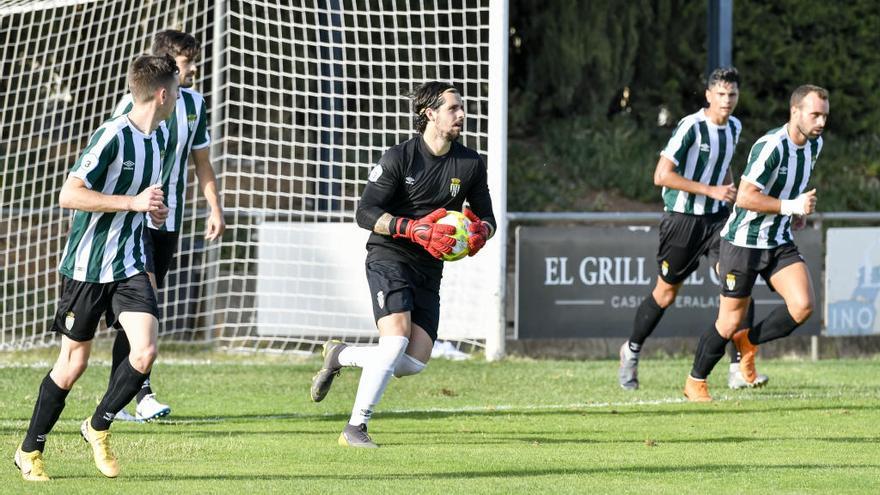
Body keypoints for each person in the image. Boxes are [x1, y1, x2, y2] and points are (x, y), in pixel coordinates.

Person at [13, 54, 179, 481]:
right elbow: (69, 195)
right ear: (162, 94)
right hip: (87, 267)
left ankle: (97, 426)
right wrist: (132, 203)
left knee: (145, 351)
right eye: (176, 90)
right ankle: (29, 450)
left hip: (129, 263)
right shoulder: (112, 135)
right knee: (73, 364)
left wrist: (153, 212)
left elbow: (145, 200)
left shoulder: (159, 139)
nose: (178, 97)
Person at [309, 81, 496, 447]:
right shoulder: (399, 158)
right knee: (393, 343)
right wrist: (411, 228)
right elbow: (365, 212)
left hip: (429, 267)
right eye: (453, 108)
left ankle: (341, 354)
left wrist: (478, 233)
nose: (461, 114)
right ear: (430, 114)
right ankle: (355, 428)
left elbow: (488, 218)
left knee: (413, 362)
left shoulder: (470, 163)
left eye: (461, 108)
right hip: (389, 255)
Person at [618, 67, 767, 390]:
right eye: (721, 94)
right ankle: (630, 351)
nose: (727, 101)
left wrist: (731, 194)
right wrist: (710, 190)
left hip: (718, 221)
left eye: (733, 95)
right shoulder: (691, 127)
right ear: (708, 95)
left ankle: (738, 368)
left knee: (738, 287)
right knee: (666, 293)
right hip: (682, 221)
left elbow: (724, 165)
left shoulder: (735, 127)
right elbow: (661, 175)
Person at [684, 84, 828, 401]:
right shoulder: (771, 146)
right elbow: (747, 197)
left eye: (824, 116)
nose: (820, 122)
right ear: (796, 112)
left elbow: (788, 187)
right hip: (743, 242)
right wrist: (791, 206)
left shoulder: (814, 145)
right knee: (728, 321)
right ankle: (695, 380)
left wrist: (794, 214)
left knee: (803, 306)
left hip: (777, 239)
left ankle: (748, 342)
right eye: (815, 114)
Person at [109, 30, 224, 422]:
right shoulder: (134, 102)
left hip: (168, 218)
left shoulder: (194, 104)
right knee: (145, 303)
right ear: (170, 65)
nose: (194, 67)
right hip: (132, 219)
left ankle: (119, 397)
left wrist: (215, 208)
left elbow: (201, 162)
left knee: (142, 310)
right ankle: (141, 394)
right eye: (188, 61)